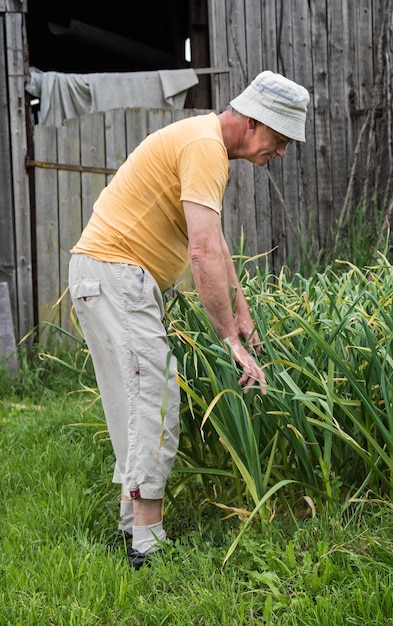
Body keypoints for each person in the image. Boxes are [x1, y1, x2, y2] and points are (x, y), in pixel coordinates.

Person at [68, 70, 310, 569]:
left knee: (134, 402)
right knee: (153, 399)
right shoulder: (204, 146)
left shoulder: (203, 143)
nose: (282, 152)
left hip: (105, 274)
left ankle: (131, 529)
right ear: (254, 121)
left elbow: (216, 243)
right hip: (117, 274)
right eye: (282, 138)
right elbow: (200, 253)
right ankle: (147, 546)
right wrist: (229, 340)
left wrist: (241, 314)